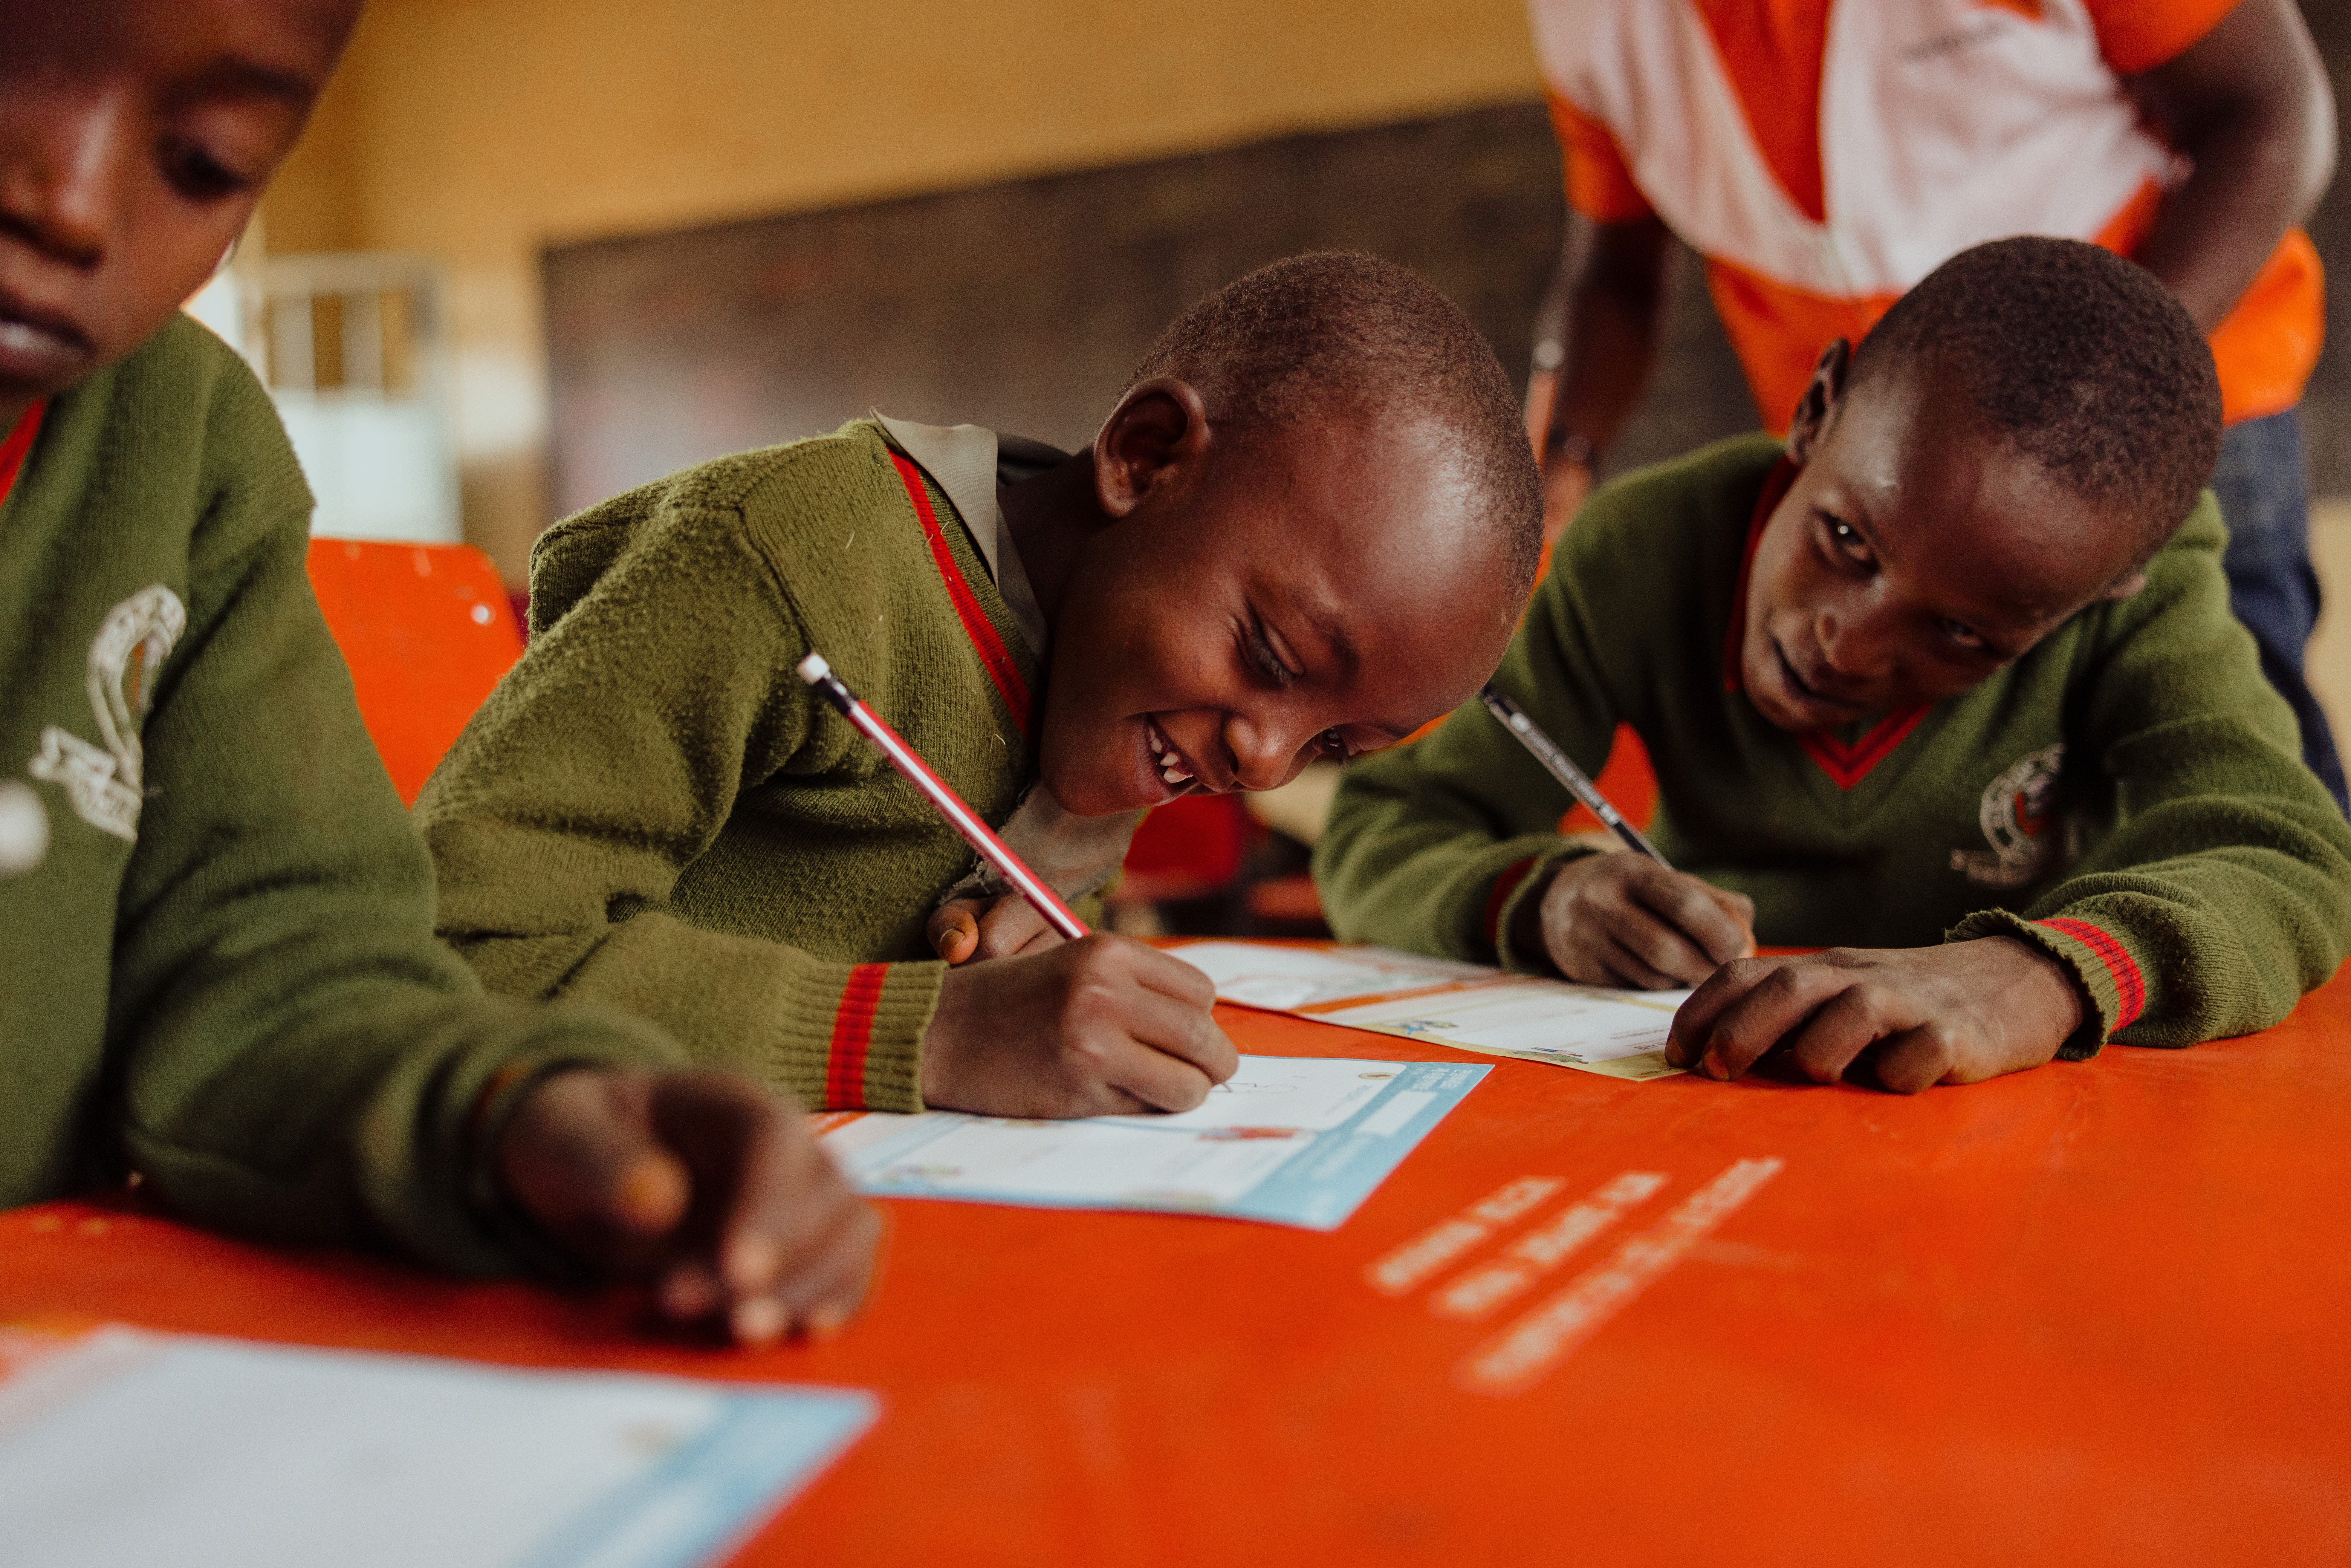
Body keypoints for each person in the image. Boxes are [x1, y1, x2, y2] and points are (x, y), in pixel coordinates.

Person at [0, 0, 876, 1345]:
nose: (70, 202)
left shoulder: (179, 441)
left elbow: (278, 968)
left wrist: (508, 1108)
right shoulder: (786, 546)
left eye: (201, 164)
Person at [414, 253, 1543, 1119]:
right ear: (1145, 457)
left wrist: (1033, 973)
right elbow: (450, 948)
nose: (1263, 762)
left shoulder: (1125, 677)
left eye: (1332, 749)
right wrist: (930, 1036)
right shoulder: (796, 562)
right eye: (1274, 661)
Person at [1315, 238, 2351, 1093]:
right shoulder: (1645, 548)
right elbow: (1379, 830)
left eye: (1961, 638)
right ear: (1816, 411)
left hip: (2016, 1119)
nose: (1844, 642)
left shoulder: (2145, 595)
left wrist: (2038, 977)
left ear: (2099, 595)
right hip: (1704, 1096)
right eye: (1845, 542)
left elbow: (2289, 857)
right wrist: (1542, 900)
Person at [1523, 0, 2345, 809]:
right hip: (1872, 491)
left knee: (2232, 766)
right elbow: (1614, 276)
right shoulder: (1590, 20)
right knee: (1988, 814)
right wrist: (1558, 455)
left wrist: (2104, 399)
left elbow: (2269, 112)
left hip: (2144, 431)